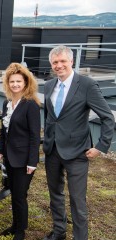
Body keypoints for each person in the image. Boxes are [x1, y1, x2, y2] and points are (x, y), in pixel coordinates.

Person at [43, 45, 115, 240]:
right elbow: (49, 116)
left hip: (77, 153)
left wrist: (101, 147)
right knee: (55, 195)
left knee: (77, 200)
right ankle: (59, 232)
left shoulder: (86, 85)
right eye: (55, 62)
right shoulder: (49, 85)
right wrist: (47, 140)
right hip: (53, 150)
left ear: (71, 61)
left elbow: (108, 117)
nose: (59, 66)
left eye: (62, 61)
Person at [0, 63, 41, 240]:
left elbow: (35, 136)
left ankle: (21, 231)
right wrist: (0, 150)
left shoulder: (31, 105)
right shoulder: (6, 103)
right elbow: (5, 131)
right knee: (14, 192)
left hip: (24, 160)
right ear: (7, 83)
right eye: (12, 81)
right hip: (9, 158)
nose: (15, 85)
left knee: (20, 196)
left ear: (26, 83)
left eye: (19, 81)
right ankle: (15, 225)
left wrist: (32, 162)